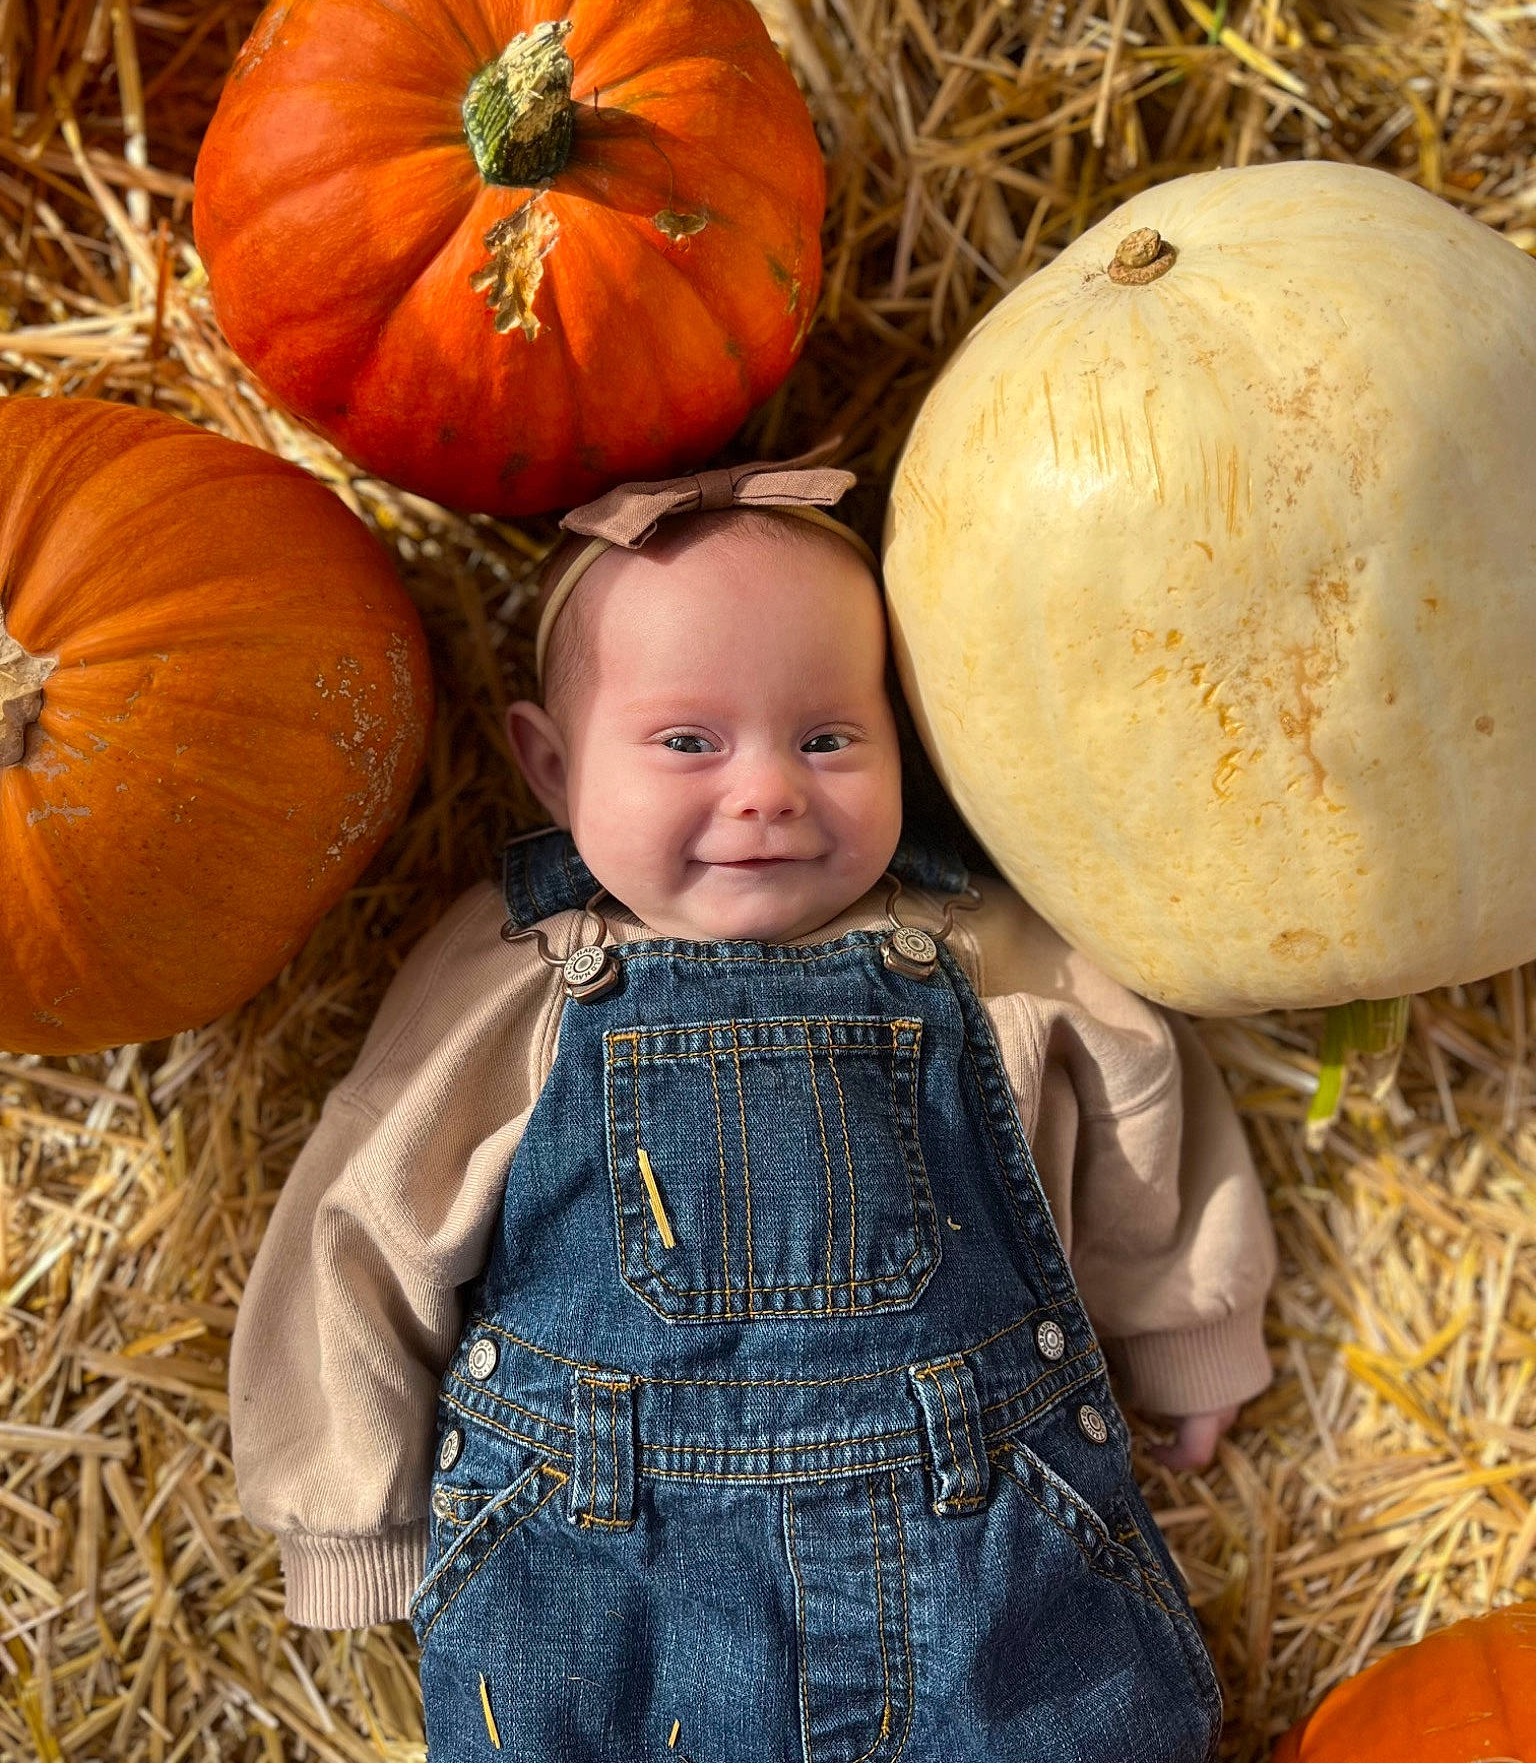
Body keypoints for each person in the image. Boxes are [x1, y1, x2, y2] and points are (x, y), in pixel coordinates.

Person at [229, 449, 1276, 1762]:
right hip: (605, 1580)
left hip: (989, 1548)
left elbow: (1143, 1120)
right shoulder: (524, 977)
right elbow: (363, 1220)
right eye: (688, 743)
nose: (768, 788)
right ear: (551, 766)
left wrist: (1188, 1326)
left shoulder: (985, 950)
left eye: (829, 738)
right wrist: (347, 1513)